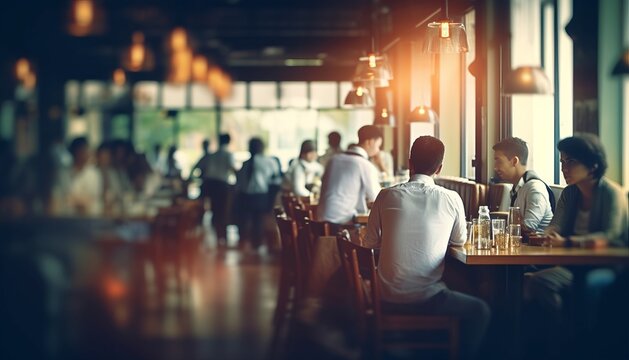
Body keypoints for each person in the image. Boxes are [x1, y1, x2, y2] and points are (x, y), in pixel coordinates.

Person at [365, 136, 490, 359]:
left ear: (410, 163)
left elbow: (370, 244)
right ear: (439, 168)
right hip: (427, 299)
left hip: (384, 295)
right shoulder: (451, 198)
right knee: (480, 309)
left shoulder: (385, 195)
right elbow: (459, 241)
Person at [526, 134, 628, 354]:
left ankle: (590, 346)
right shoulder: (570, 193)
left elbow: (611, 236)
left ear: (592, 165)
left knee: (591, 285)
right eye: (562, 162)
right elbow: (556, 225)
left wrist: (569, 242)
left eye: (571, 161)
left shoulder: (612, 193)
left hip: (609, 267)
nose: (564, 168)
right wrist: (547, 235)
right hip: (573, 265)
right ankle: (565, 339)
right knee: (538, 281)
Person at [316, 126, 382, 224]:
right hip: (341, 224)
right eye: (378, 146)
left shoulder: (334, 159)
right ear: (370, 142)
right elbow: (378, 198)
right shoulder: (364, 165)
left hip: (319, 220)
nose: (378, 151)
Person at [492, 137, 554, 234]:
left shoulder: (535, 188)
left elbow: (527, 228)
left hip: (538, 247)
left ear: (514, 161)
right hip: (523, 246)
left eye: (499, 161)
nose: (495, 167)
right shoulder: (517, 188)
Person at [235, 137, 280, 250]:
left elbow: (239, 182)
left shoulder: (248, 164)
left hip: (251, 195)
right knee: (256, 220)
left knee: (252, 220)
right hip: (259, 195)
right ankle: (254, 243)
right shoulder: (268, 162)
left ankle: (251, 242)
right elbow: (275, 180)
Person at [204, 134, 237, 245]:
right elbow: (232, 169)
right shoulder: (228, 155)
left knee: (215, 210)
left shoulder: (212, 155)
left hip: (211, 185)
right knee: (223, 211)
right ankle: (222, 236)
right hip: (222, 185)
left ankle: (218, 235)